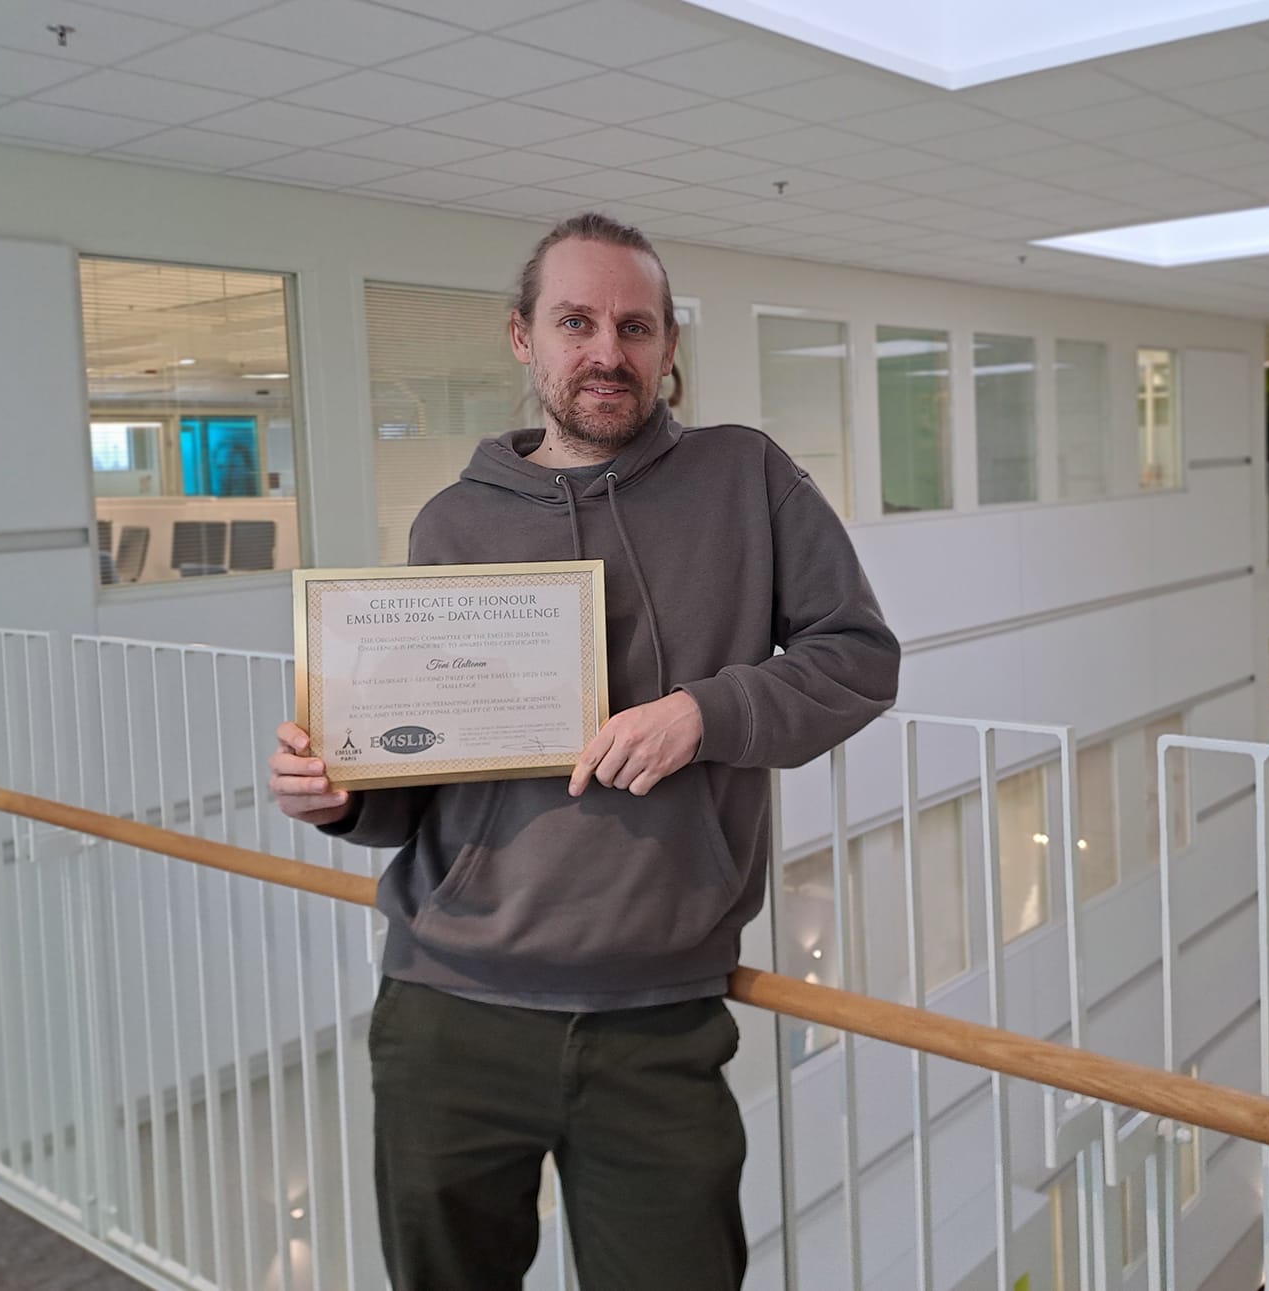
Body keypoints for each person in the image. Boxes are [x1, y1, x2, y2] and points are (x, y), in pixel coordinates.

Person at [267, 212, 900, 1290]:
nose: (608, 351)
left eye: (634, 326)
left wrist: (706, 712)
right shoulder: (452, 523)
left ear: (667, 344)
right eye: (576, 323)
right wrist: (338, 793)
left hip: (658, 1021)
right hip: (449, 1010)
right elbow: (422, 779)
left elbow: (858, 659)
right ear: (524, 338)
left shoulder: (746, 477)